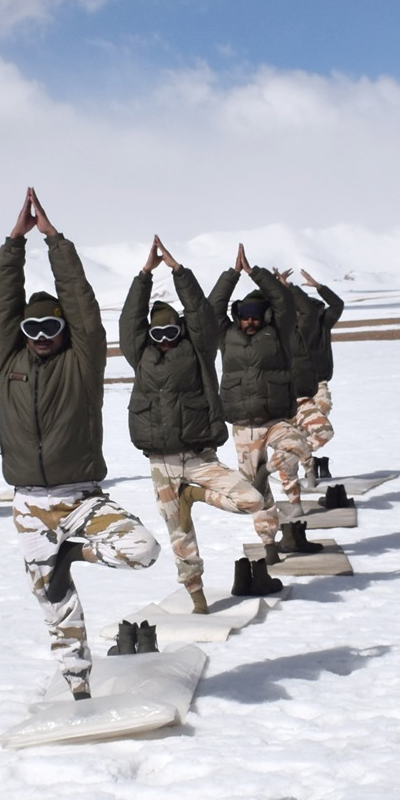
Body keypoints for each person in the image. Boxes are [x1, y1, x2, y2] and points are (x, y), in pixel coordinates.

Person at [0, 188, 160, 699]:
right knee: (55, 609)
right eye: (31, 327)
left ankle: (72, 555)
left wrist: (53, 243)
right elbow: (2, 302)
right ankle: (78, 691)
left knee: (142, 549)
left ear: (66, 330)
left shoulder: (82, 361)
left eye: (52, 326)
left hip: (81, 500)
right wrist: (12, 246)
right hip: (28, 507)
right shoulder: (11, 362)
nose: (41, 334)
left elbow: (83, 304)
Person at [121, 236, 266, 614]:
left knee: (251, 499)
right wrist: (144, 277)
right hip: (162, 463)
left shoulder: (198, 348)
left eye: (172, 333)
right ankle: (196, 598)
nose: (166, 342)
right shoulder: (140, 355)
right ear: (150, 337)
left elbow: (201, 313)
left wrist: (177, 270)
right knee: (179, 536)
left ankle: (194, 496)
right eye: (159, 336)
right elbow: (128, 322)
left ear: (181, 332)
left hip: (200, 457)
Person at [210, 246, 319, 559]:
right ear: (238, 317)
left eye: (255, 317)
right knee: (257, 494)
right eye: (244, 317)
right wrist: (232, 275)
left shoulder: (278, 333)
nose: (249, 322)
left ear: (264, 317)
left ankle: (268, 469)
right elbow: (211, 309)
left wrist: (254, 272)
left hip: (274, 420)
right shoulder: (225, 335)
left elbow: (284, 303)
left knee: (299, 444)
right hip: (243, 426)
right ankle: (270, 544)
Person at [291, 268, 344, 472]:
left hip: (319, 383)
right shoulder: (294, 330)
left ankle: (304, 457)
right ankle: (309, 465)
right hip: (297, 387)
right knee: (300, 427)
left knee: (319, 417)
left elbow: (337, 304)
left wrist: (320, 288)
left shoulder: (324, 324)